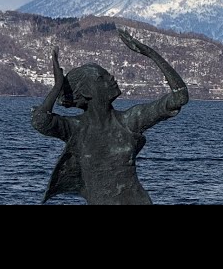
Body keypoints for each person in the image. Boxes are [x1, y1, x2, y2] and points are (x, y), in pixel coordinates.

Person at [31, 27, 189, 205]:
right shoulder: (76, 128)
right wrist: (58, 85)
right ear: (87, 91)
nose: (111, 78)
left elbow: (180, 96)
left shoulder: (129, 121)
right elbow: (40, 120)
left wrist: (148, 52)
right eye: (102, 77)